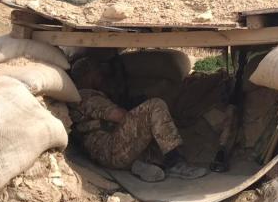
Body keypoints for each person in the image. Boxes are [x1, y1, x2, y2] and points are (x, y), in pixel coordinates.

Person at [69, 56, 207, 181]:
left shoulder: (76, 97)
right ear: (88, 76)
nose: (101, 77)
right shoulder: (86, 96)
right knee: (155, 106)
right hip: (110, 150)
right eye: (97, 73)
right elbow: (119, 116)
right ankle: (175, 163)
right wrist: (139, 114)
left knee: (154, 137)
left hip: (103, 155)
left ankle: (139, 165)